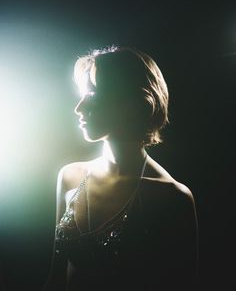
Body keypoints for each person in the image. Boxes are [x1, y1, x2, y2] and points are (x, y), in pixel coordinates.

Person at [43, 46, 198, 291]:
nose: (78, 108)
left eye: (92, 95)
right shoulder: (70, 176)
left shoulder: (171, 197)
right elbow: (55, 280)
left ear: (131, 101)